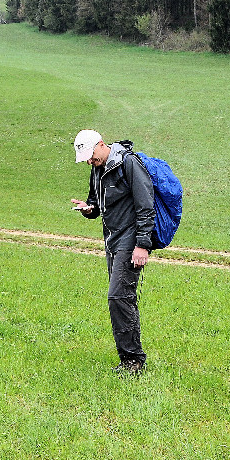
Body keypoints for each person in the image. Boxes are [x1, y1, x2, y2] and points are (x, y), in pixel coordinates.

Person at [70, 129, 155, 373]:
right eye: (86, 158)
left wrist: (142, 244)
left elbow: (146, 204)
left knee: (117, 296)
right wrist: (89, 209)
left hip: (131, 239)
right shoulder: (96, 169)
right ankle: (132, 358)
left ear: (101, 144)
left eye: (91, 155)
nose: (89, 161)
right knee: (123, 298)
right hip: (112, 240)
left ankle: (132, 361)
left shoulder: (128, 163)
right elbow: (97, 204)